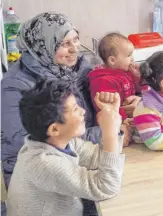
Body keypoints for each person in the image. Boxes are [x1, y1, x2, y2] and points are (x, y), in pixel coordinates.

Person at [1, 12, 101, 189]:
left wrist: (123, 106)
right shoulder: (15, 85)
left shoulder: (77, 67)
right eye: (64, 44)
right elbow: (29, 141)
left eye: (75, 39)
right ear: (42, 46)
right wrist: (102, 134)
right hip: (35, 177)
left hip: (79, 156)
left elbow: (93, 106)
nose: (75, 49)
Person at [6, 80, 125, 216]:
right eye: (75, 109)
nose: (83, 111)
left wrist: (111, 116)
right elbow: (106, 187)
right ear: (55, 129)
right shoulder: (44, 163)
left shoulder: (63, 142)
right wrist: (109, 132)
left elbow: (98, 158)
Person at [88, 32, 142, 146]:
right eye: (128, 55)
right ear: (112, 60)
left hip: (130, 118)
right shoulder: (103, 81)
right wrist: (123, 122)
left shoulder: (125, 71)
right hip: (119, 122)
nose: (132, 58)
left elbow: (139, 89)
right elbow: (109, 109)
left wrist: (138, 76)